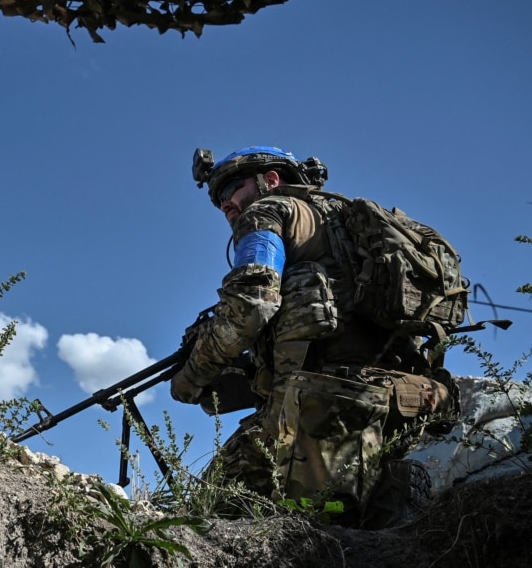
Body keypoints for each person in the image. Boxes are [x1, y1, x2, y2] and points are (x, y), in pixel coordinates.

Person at [169, 145, 451, 528]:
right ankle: (390, 495)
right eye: (218, 199)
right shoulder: (351, 225)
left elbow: (251, 302)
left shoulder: (267, 212)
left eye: (232, 188)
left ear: (271, 180)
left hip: (324, 402)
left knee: (216, 502)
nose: (225, 204)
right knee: (356, 520)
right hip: (407, 397)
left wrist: (191, 377)